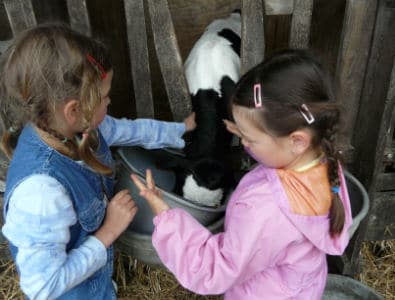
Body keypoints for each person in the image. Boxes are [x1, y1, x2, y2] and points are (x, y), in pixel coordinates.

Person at [132, 49, 353, 299]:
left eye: (251, 140)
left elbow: (215, 269)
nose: (246, 144)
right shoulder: (323, 159)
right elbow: (281, 152)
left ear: (297, 140)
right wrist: (253, 134)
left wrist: (165, 216)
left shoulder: (264, 208)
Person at [0, 24, 195, 300]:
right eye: (104, 98)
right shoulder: (41, 195)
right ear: (73, 110)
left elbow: (131, 130)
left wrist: (179, 130)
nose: (110, 102)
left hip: (96, 280)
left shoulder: (76, 127)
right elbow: (43, 287)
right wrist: (109, 231)